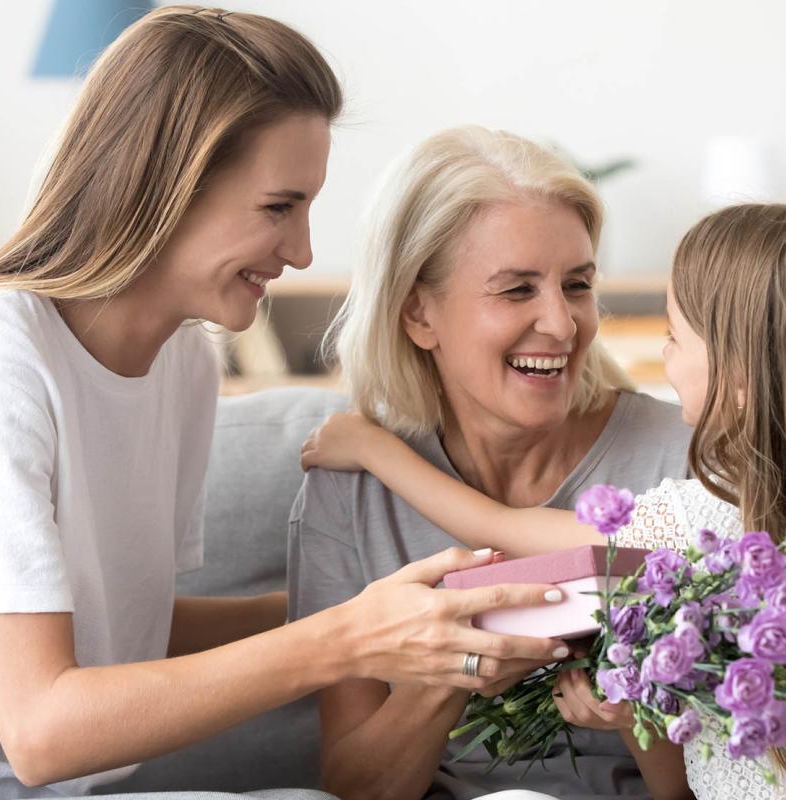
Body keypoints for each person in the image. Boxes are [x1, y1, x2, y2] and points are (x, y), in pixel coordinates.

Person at [0, 9, 571, 800]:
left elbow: (127, 629)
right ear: (163, 183)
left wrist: (391, 606)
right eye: (279, 207)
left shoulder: (182, 361)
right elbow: (40, 732)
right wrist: (345, 637)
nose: (304, 250)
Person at [301, 204, 786, 799]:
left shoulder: (705, 522)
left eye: (673, 336)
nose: (662, 359)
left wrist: (374, 450)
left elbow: (505, 526)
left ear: (741, 378)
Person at [286, 125, 694, 800]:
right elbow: (353, 788)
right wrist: (451, 671)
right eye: (516, 290)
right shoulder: (350, 491)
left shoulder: (678, 462)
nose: (562, 325)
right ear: (419, 312)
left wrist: (639, 713)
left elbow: (738, 777)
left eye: (577, 284)